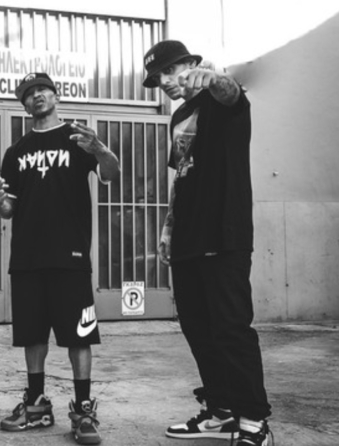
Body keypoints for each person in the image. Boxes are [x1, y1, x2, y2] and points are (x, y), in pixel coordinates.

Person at [144, 40, 273, 446]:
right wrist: (168, 229)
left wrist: (215, 78)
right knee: (198, 329)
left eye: (170, 70)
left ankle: (253, 420)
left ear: (191, 63)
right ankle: (220, 411)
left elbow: (231, 94)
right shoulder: (179, 116)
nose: (164, 81)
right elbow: (181, 176)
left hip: (223, 232)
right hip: (187, 237)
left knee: (230, 328)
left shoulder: (222, 99)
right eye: (157, 77)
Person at [0, 72, 120, 445]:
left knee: (80, 334)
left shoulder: (78, 138)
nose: (36, 96)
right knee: (32, 334)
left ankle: (83, 409)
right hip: (27, 257)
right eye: (29, 94)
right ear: (24, 105)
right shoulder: (16, 152)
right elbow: (9, 208)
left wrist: (100, 149)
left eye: (42, 90)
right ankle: (36, 404)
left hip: (70, 255)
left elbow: (111, 173)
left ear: (55, 95)